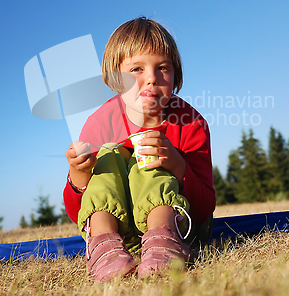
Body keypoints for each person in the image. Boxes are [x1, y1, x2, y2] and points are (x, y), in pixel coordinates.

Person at [64, 17, 215, 282]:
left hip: (180, 229)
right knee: (109, 155)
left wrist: (178, 166)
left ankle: (164, 243)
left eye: (163, 68)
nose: (151, 79)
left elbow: (204, 208)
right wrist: (79, 173)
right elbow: (78, 211)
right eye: (136, 69)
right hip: (122, 235)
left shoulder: (191, 123)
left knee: (149, 159)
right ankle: (104, 249)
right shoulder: (100, 123)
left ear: (175, 74)